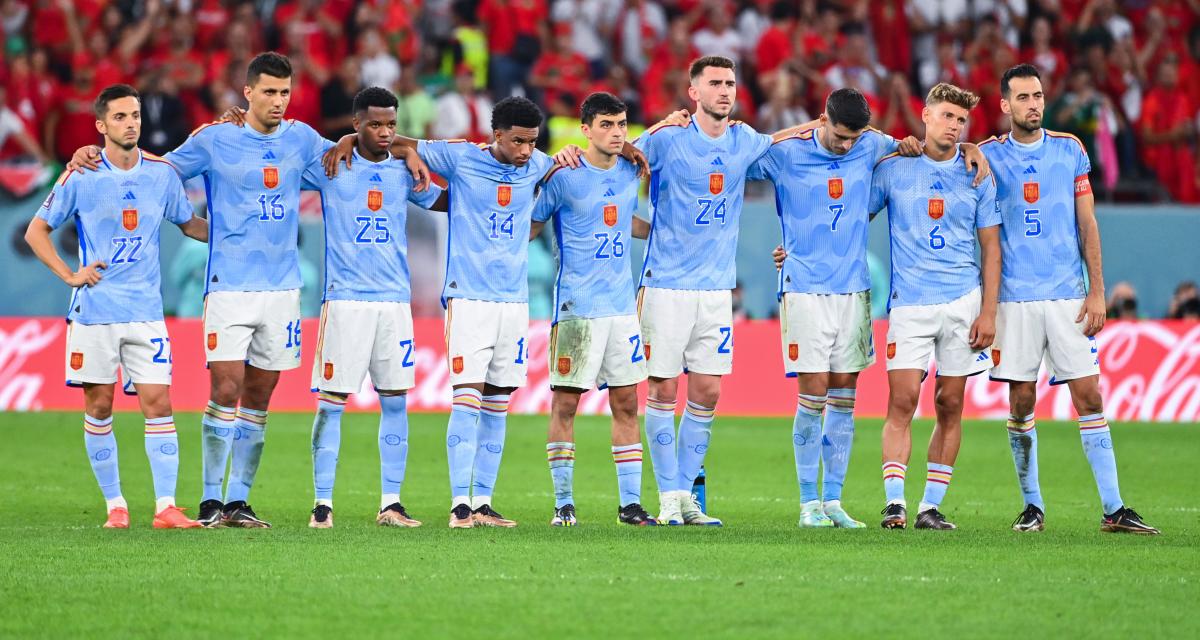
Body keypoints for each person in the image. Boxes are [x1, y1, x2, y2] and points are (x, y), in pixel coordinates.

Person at [69, 53, 423, 528]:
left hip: (282, 290)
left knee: (260, 394)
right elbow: (156, 169)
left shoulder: (301, 139)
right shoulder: (215, 139)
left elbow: (360, 147)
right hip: (229, 286)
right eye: (270, 92)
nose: (278, 101)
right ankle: (211, 500)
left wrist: (399, 146)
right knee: (226, 386)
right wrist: (89, 153)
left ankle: (238, 500)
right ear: (248, 93)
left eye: (285, 93)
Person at [555, 55, 820, 526]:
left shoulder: (743, 140)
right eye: (715, 83)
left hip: (716, 290)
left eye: (731, 83)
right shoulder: (667, 139)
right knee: (662, 389)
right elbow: (614, 153)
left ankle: (686, 496)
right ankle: (667, 498)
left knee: (708, 392)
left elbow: (787, 142)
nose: (725, 90)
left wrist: (822, 125)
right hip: (665, 286)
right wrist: (567, 153)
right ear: (693, 92)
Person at [323, 96, 580, 528]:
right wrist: (351, 136)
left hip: (513, 302)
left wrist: (609, 148)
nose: (524, 151)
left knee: (499, 403)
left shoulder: (537, 164)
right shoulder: (461, 156)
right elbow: (392, 140)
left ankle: (483, 503)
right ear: (496, 134)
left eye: (531, 143)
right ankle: (460, 504)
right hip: (469, 299)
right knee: (467, 399)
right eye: (517, 141)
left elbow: (579, 162)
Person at [981, 63, 1159, 534]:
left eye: (1037, 95)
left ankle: (1114, 508)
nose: (1033, 104)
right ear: (1005, 105)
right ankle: (1033, 506)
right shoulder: (985, 156)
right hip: (1014, 299)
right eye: (1022, 97)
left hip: (1068, 296)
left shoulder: (1070, 150)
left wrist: (1097, 289)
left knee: (1090, 394)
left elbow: (1088, 225)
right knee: (1021, 401)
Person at [25, 84, 208, 529]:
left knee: (158, 402)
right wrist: (71, 275)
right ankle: (115, 506)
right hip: (95, 311)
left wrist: (238, 231)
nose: (131, 123)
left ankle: (166, 506)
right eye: (121, 117)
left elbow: (189, 225)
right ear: (101, 125)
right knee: (100, 405)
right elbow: (36, 232)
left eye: (136, 116)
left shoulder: (161, 174)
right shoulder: (81, 176)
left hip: (146, 312)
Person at [301, 87, 446, 529]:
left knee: (396, 401)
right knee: (331, 402)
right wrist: (342, 144)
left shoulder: (405, 169)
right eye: (374, 124)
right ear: (356, 124)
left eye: (391, 125)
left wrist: (408, 151)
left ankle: (391, 503)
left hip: (394, 303)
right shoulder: (331, 165)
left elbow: (442, 200)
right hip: (345, 301)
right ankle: (322, 504)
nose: (384, 133)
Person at [871, 82, 1001, 531]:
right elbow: (851, 214)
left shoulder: (977, 173)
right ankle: (894, 503)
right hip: (910, 303)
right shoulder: (893, 168)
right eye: (947, 115)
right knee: (902, 400)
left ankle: (929, 505)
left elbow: (991, 248)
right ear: (925, 115)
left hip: (963, 302)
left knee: (951, 403)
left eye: (961, 120)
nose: (954, 125)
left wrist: (989, 311)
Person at [530, 92, 656, 527]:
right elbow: (530, 226)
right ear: (585, 129)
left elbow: (626, 223)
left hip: (621, 310)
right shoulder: (563, 175)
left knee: (626, 403)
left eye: (622, 124)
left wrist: (664, 233)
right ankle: (563, 503)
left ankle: (630, 504)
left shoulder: (628, 172)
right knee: (566, 405)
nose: (617, 132)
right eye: (606, 124)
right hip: (576, 308)